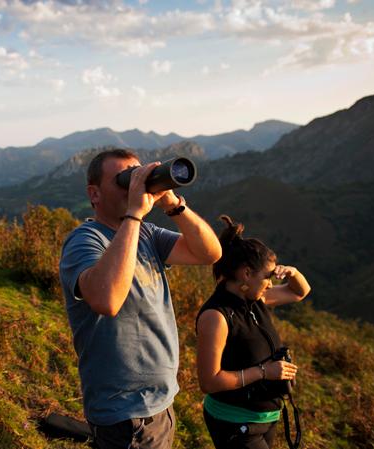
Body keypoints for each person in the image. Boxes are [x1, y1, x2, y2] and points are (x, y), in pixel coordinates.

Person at [59, 148, 222, 449]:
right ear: (94, 194)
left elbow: (210, 253)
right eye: (124, 180)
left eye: (138, 176)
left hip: (159, 401)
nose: (134, 185)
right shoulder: (84, 241)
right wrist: (134, 212)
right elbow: (107, 300)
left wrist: (173, 205)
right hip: (126, 413)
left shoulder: (147, 234)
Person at [195, 215, 311, 449]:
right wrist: (263, 372)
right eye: (267, 277)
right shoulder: (216, 316)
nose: (270, 284)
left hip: (265, 418)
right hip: (235, 422)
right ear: (246, 274)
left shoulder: (256, 298)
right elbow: (209, 382)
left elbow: (300, 292)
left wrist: (292, 273)